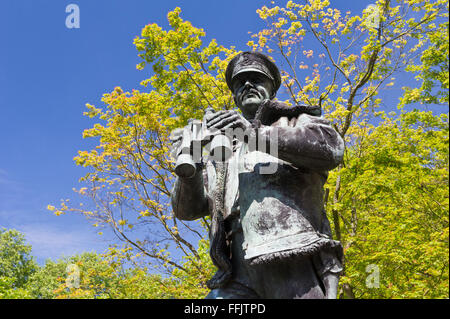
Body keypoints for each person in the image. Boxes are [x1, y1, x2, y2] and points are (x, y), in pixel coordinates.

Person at [170, 51, 345, 298]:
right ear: (233, 94)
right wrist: (190, 168)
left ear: (272, 90)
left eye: (256, 79)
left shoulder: (294, 121)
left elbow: (331, 150)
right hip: (235, 268)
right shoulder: (222, 148)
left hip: (289, 252)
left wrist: (252, 134)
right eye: (240, 82)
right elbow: (188, 211)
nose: (248, 85)